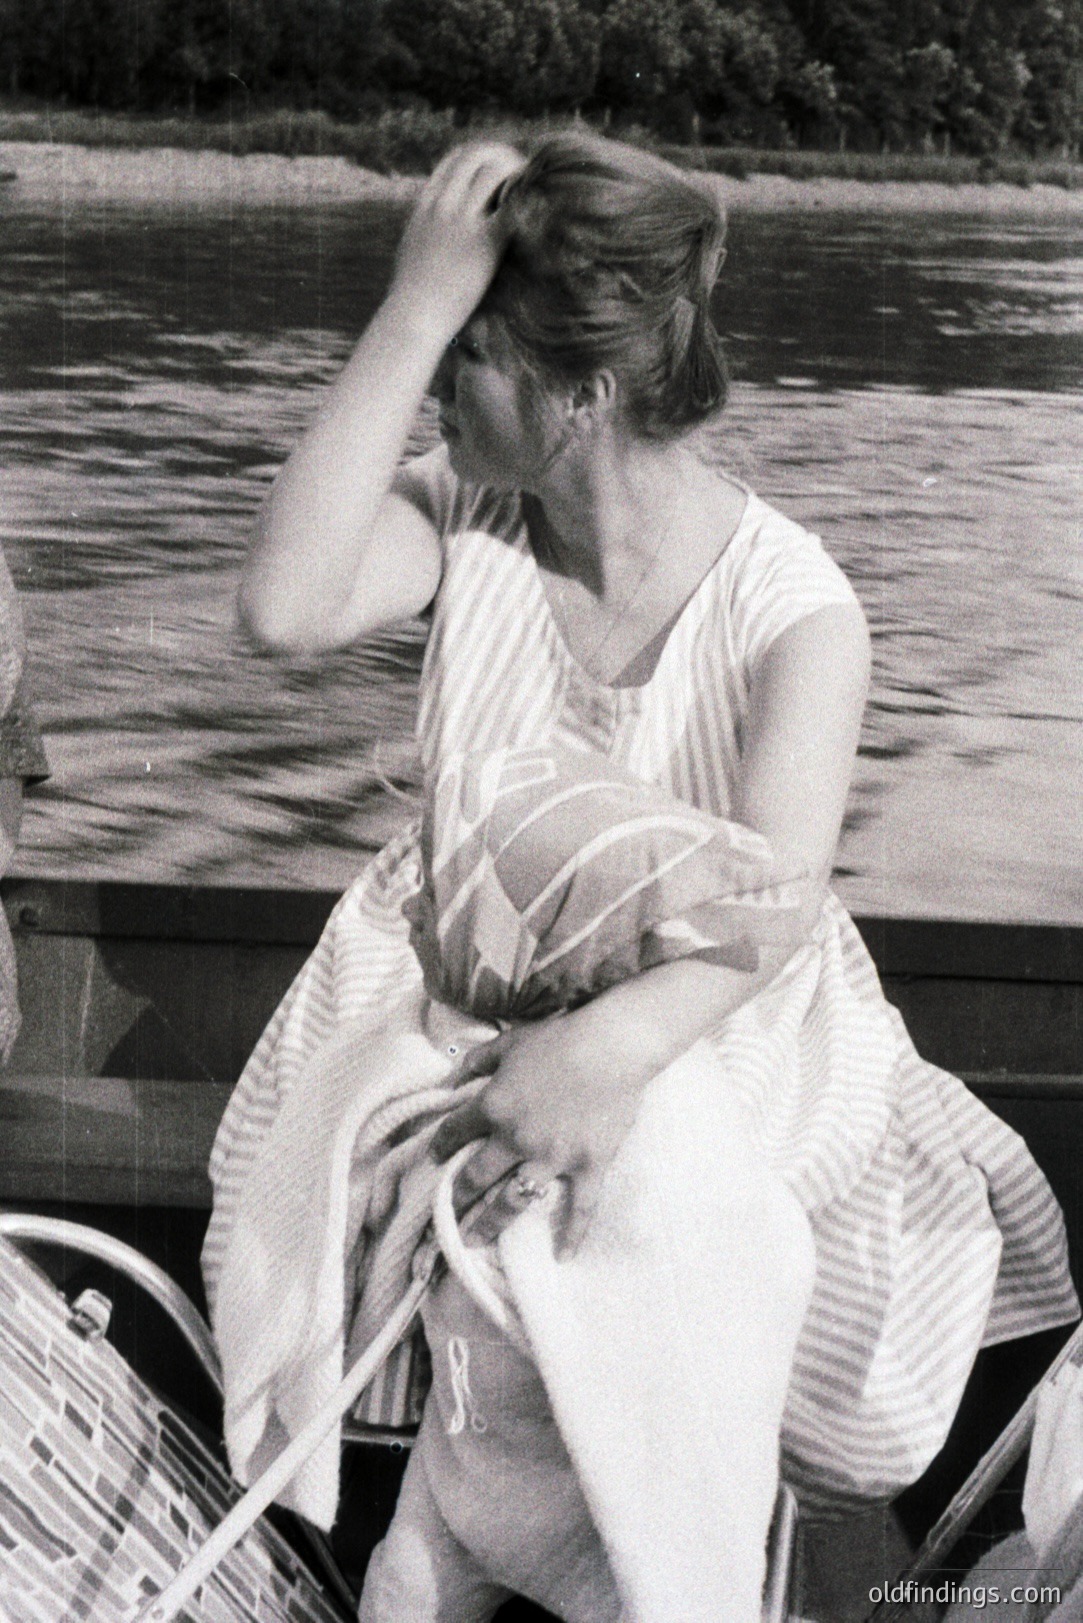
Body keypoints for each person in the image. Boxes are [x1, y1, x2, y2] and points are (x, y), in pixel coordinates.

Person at [204, 134, 1078, 1621]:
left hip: (716, 1016)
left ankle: (613, 1562)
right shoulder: (467, 511)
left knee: (649, 1161)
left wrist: (600, 1052)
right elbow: (283, 609)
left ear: (582, 395)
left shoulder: (795, 610)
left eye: (466, 359)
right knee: (432, 1110)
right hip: (475, 971)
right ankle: (489, 1531)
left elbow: (764, 923)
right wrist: (415, 307)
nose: (435, 391)